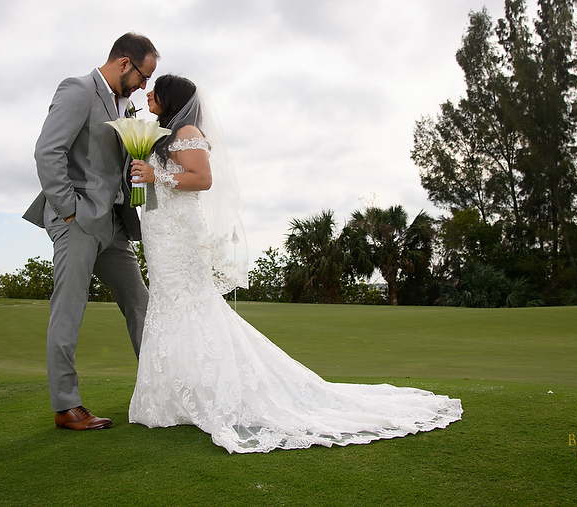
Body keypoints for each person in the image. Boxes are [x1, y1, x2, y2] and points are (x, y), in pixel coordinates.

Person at [127, 75, 462, 453]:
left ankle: (213, 392)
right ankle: (172, 396)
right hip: (160, 233)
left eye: (156, 90)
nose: (149, 94)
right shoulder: (160, 134)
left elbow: (202, 179)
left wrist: (156, 175)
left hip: (180, 237)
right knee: (167, 304)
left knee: (191, 303)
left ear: (172, 98)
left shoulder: (187, 132)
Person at [23, 32, 158, 431]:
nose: (143, 86)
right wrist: (69, 211)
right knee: (69, 310)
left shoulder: (126, 104)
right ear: (124, 63)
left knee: (141, 305)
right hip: (78, 221)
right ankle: (66, 406)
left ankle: (161, 388)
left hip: (114, 224)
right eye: (143, 76)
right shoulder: (78, 90)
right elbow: (47, 152)